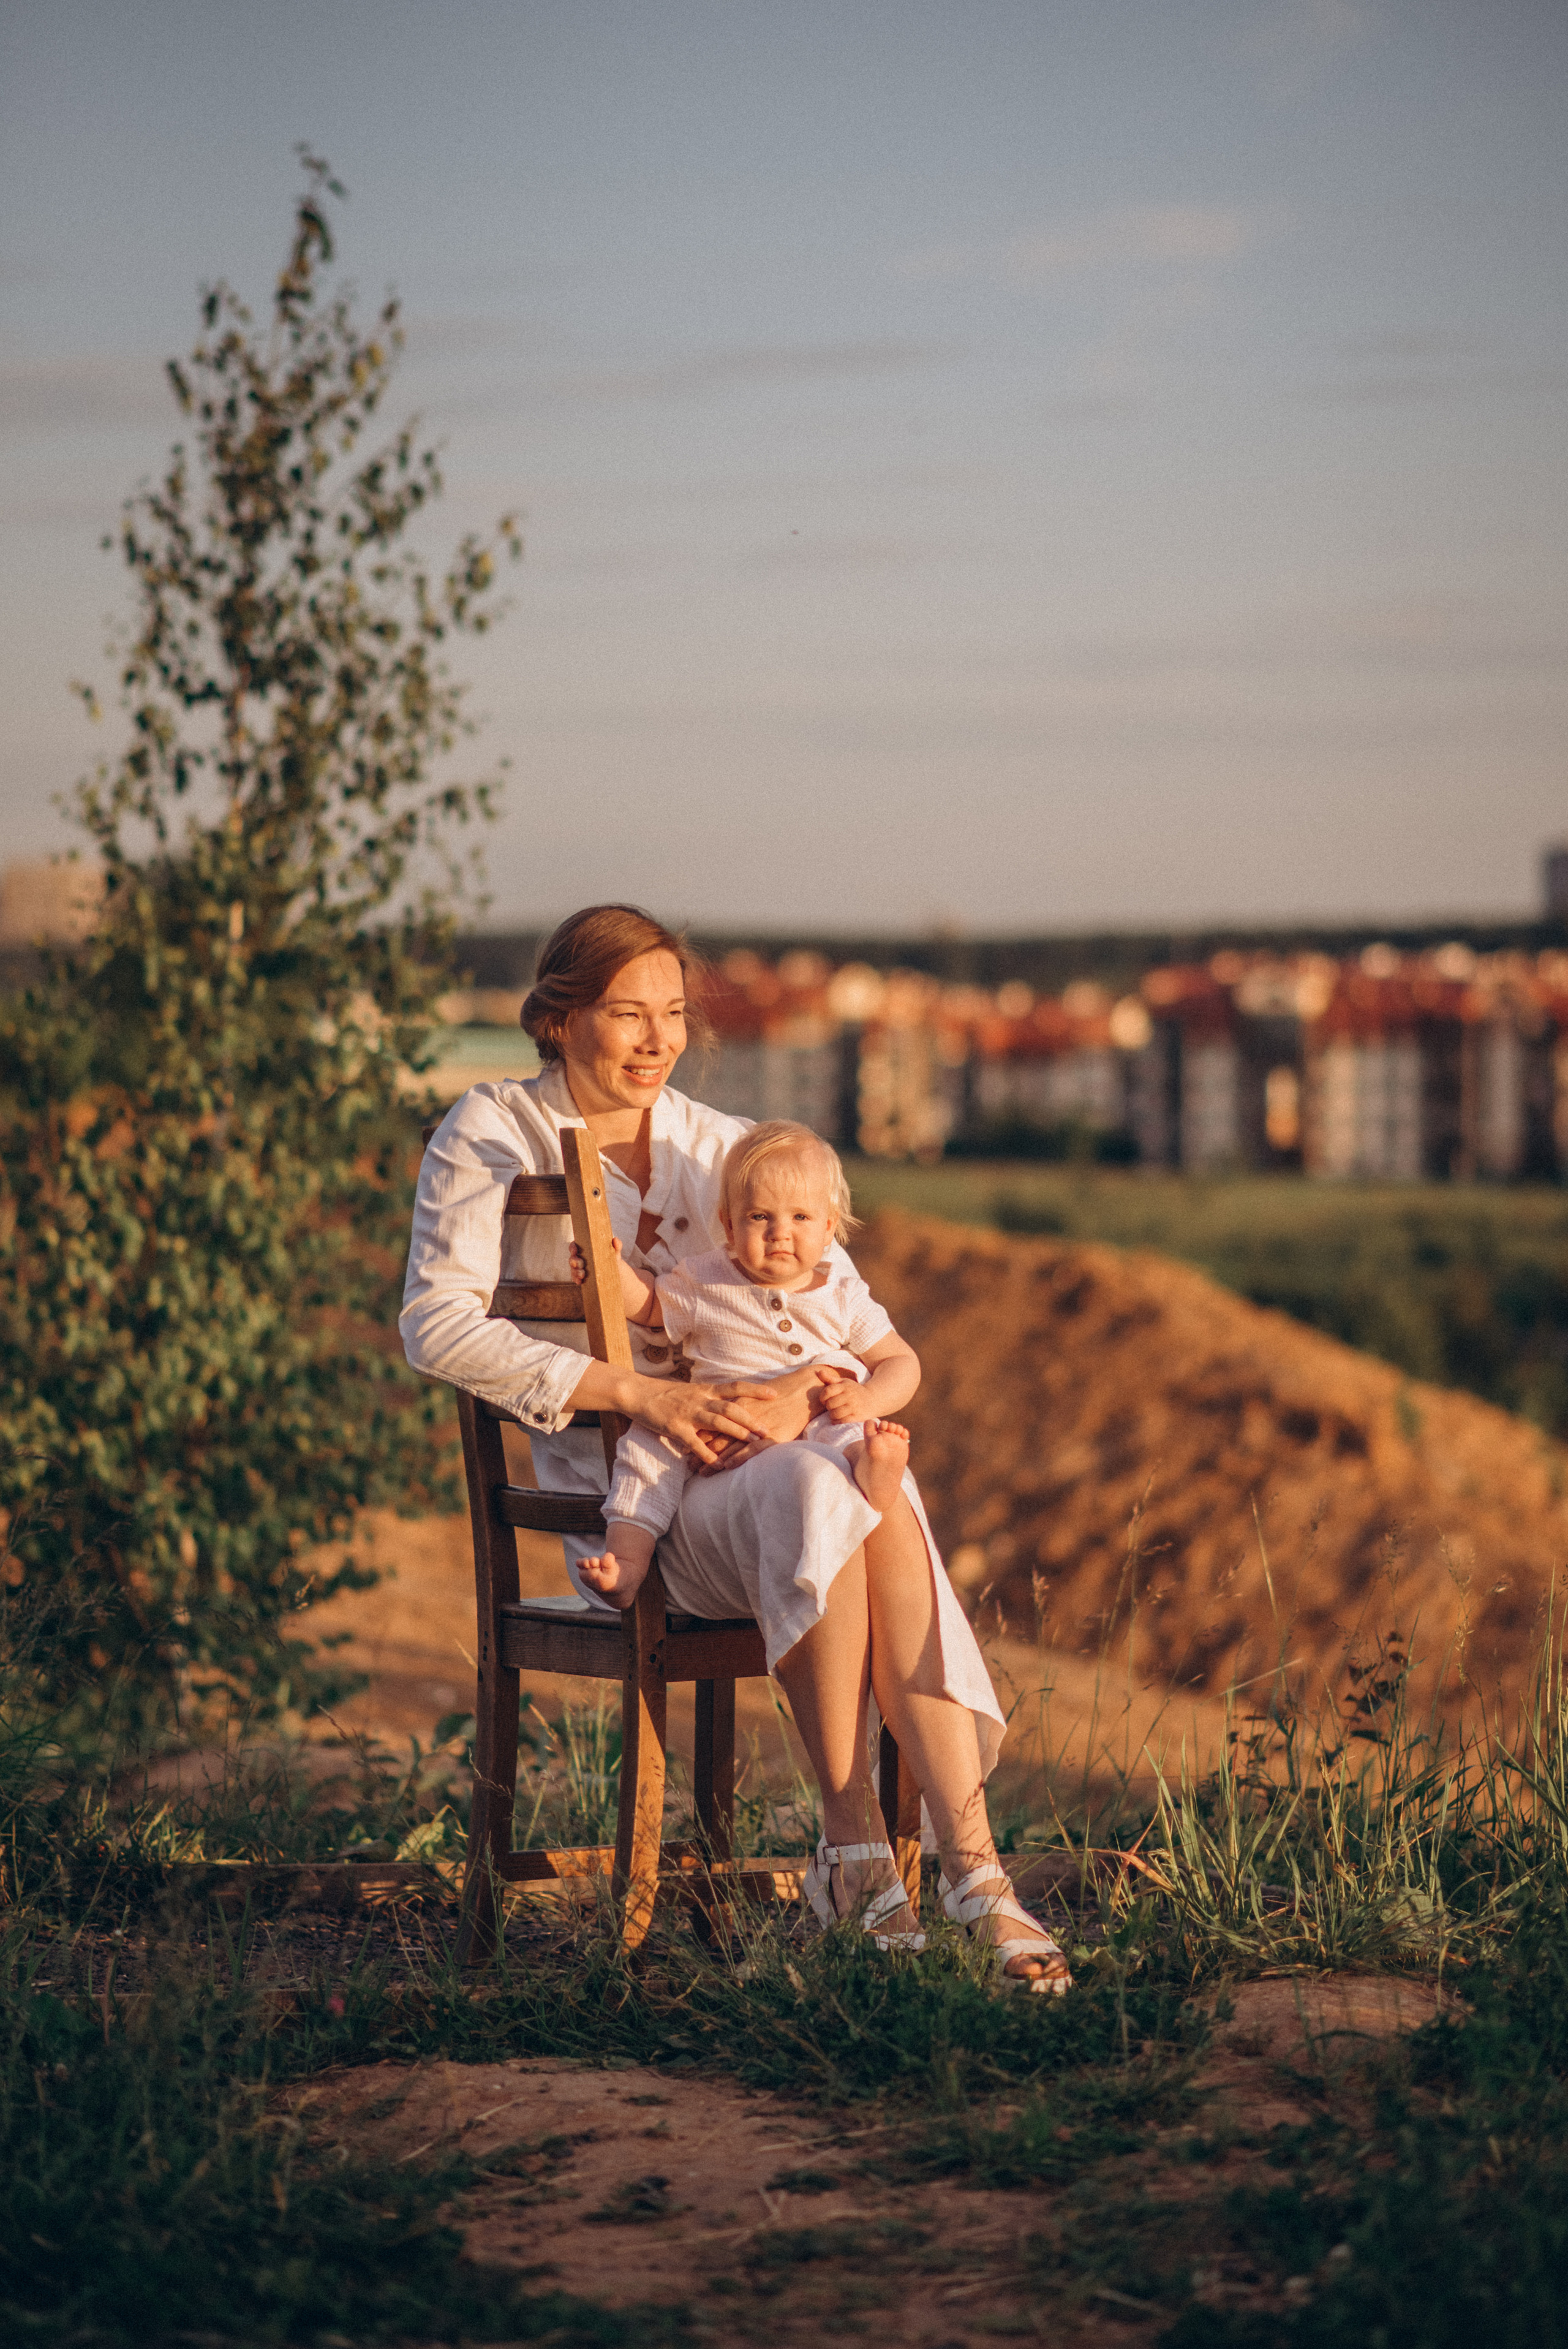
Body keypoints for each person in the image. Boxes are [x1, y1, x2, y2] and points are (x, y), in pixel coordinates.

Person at [401, 904, 1069, 1988]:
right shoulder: (491, 1131)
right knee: (841, 1487)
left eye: (672, 1012)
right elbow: (434, 1324)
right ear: (558, 1018)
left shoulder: (726, 1147)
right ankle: (882, 1855)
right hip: (630, 1502)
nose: (658, 1038)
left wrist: (796, 1389)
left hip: (774, 1471)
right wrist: (639, 1397)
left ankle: (951, 1865)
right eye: (627, 1014)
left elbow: (815, 1317)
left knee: (856, 1480)